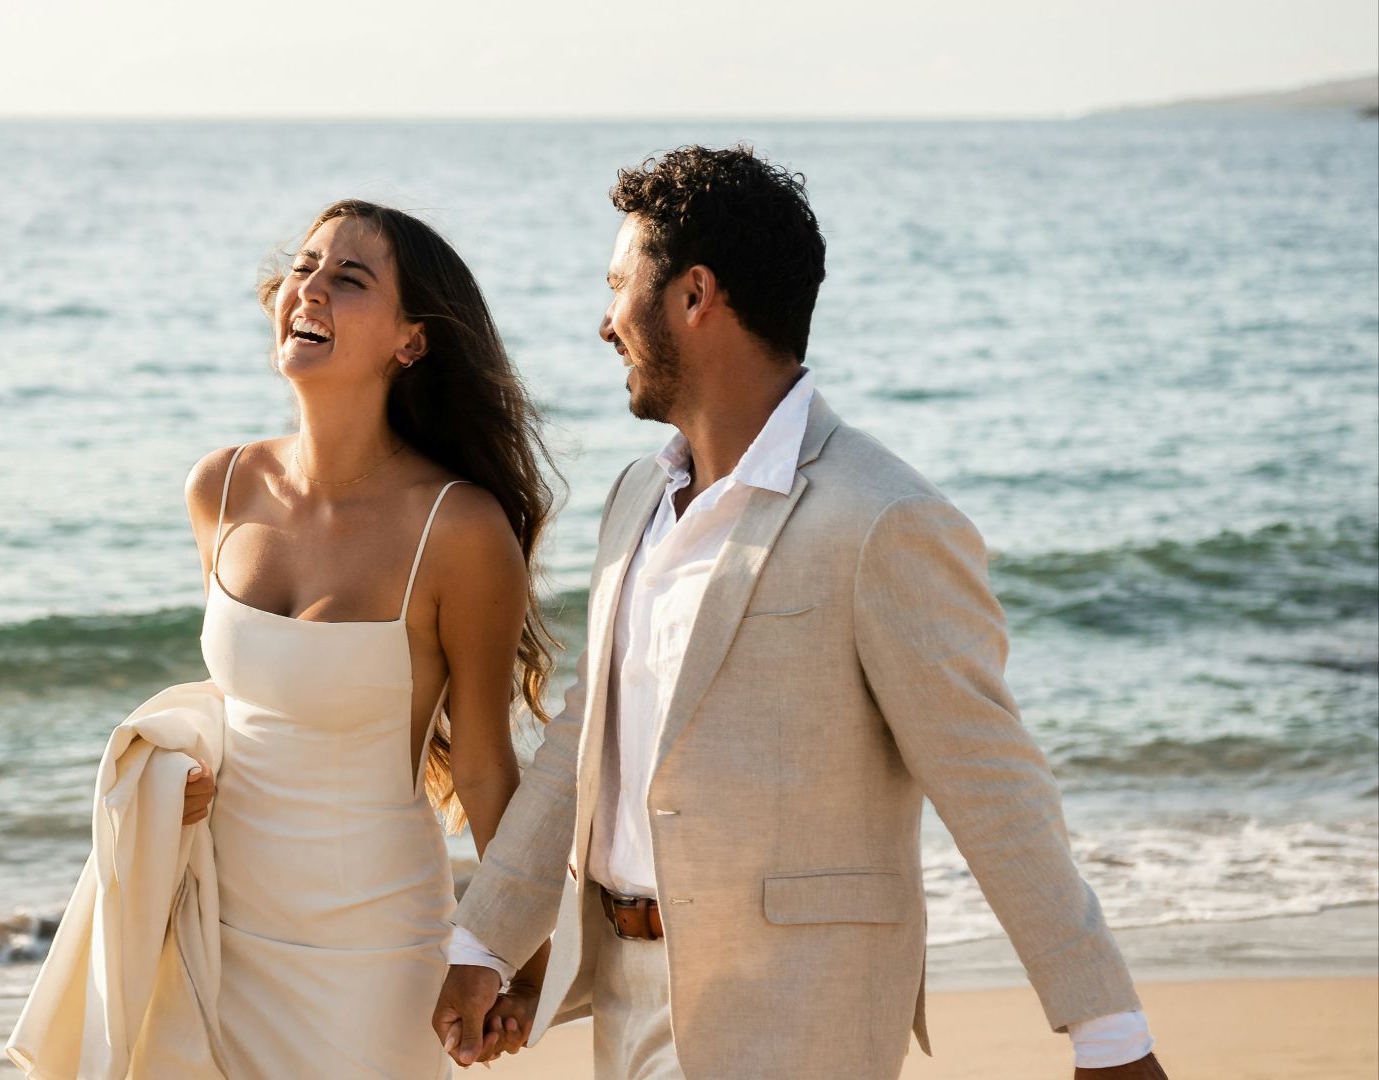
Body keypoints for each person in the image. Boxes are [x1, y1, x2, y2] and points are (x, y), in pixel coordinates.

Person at [433, 146, 1170, 1079]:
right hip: (624, 1001)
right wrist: (484, 941)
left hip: (799, 1013)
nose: (604, 321)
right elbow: (588, 745)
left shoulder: (883, 520)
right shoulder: (634, 498)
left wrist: (1107, 1032)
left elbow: (995, 788)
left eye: (620, 286)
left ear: (694, 295)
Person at [177, 199, 559, 1077]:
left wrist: (520, 962)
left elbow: (486, 769)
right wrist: (175, 779)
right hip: (217, 930)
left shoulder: (459, 531)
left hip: (371, 953)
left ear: (411, 342)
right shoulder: (221, 487)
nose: (308, 289)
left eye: (348, 279)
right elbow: (237, 703)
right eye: (305, 268)